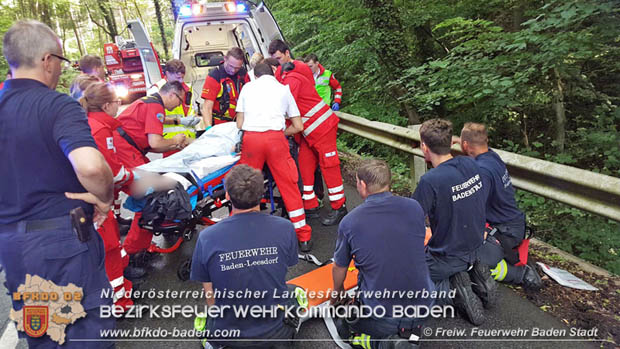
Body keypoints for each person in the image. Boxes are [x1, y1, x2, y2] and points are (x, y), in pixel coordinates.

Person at [0, 20, 115, 346]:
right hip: (62, 245)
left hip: (13, 248)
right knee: (85, 337)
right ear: (47, 60)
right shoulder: (56, 105)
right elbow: (90, 166)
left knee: (45, 336)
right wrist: (104, 196)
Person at [190, 165, 299, 347]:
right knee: (294, 292)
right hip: (275, 332)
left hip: (230, 336)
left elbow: (211, 295)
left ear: (227, 196)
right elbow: (281, 269)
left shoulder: (207, 237)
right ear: (261, 195)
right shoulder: (285, 227)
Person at [332, 159, 433, 348]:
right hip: (424, 305)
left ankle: (380, 342)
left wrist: (336, 294)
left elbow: (339, 266)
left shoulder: (350, 222)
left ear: (362, 184)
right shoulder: (414, 207)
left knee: (343, 322)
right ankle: (409, 332)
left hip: (384, 313)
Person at [411, 118, 496, 326]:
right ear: (452, 143)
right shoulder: (470, 163)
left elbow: (409, 220)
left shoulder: (430, 181)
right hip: (477, 244)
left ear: (424, 146)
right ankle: (474, 276)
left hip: (447, 255)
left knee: (407, 281)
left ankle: (452, 292)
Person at [79, 82, 145, 311]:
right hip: (96, 201)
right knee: (109, 250)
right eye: (117, 101)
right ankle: (119, 303)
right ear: (106, 105)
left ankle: (121, 289)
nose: (119, 105)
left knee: (110, 249)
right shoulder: (99, 130)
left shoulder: (96, 126)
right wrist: (136, 178)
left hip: (96, 198)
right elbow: (112, 172)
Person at [269, 39, 347, 226]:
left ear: (286, 53)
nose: (278, 65)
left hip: (321, 127)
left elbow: (284, 106)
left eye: (279, 59)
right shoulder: (286, 75)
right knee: (304, 164)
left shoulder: (293, 77)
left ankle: (340, 207)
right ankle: (310, 205)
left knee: (329, 166)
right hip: (307, 130)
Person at [235, 62, 312, 251]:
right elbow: (299, 126)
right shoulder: (283, 89)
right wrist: (280, 134)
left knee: (246, 186)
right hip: (276, 140)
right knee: (289, 186)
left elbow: (239, 123)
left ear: (255, 75)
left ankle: (244, 234)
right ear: (273, 75)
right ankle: (303, 236)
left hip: (252, 140)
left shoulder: (247, 87)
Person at [459, 123, 542, 289]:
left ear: (465, 145)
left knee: (461, 258)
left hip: (504, 232)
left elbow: (473, 210)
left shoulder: (482, 171)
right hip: (512, 224)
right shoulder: (491, 156)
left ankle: (520, 274)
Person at [114, 81, 187, 259]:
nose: (178, 106)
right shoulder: (156, 106)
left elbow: (151, 144)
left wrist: (175, 145)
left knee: (154, 186)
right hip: (125, 150)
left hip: (126, 148)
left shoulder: (149, 101)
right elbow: (155, 142)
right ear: (172, 95)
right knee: (150, 198)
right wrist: (176, 141)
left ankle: (144, 242)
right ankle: (134, 252)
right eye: (179, 101)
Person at [147, 59, 200, 150]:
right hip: (169, 143)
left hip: (188, 141)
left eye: (182, 77)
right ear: (167, 74)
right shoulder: (156, 90)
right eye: (178, 77)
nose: (181, 81)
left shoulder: (188, 89)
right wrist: (180, 121)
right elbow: (154, 119)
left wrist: (194, 118)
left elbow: (192, 109)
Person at [199, 47, 250, 129]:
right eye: (231, 66)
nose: (233, 70)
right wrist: (208, 128)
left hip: (240, 122)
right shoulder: (215, 76)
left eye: (237, 68)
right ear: (225, 59)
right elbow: (207, 107)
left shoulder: (243, 73)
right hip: (221, 124)